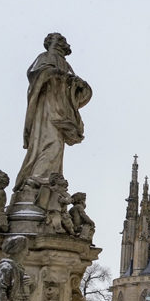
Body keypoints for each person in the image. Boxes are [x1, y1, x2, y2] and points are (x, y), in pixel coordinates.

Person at [15, 33, 92, 192]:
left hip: (59, 109)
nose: (64, 44)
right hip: (47, 108)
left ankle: (44, 178)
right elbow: (37, 76)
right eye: (60, 41)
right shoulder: (46, 56)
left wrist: (79, 85)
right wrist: (60, 75)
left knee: (55, 145)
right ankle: (38, 178)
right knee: (50, 143)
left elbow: (76, 93)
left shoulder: (64, 63)